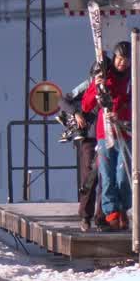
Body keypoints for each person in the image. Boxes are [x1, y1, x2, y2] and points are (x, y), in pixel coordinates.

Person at [82, 40, 133, 231]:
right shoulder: (104, 76)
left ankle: (123, 210)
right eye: (120, 58)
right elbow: (87, 105)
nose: (122, 63)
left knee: (123, 175)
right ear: (115, 57)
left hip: (124, 133)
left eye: (126, 59)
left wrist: (119, 112)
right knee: (107, 175)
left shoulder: (131, 78)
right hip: (105, 134)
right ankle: (111, 212)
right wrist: (96, 86)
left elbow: (135, 101)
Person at [57, 59, 105, 232]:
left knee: (106, 176)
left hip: (108, 135)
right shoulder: (86, 86)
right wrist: (76, 113)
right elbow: (62, 101)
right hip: (89, 136)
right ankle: (85, 215)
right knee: (90, 175)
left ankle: (102, 216)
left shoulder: (113, 86)